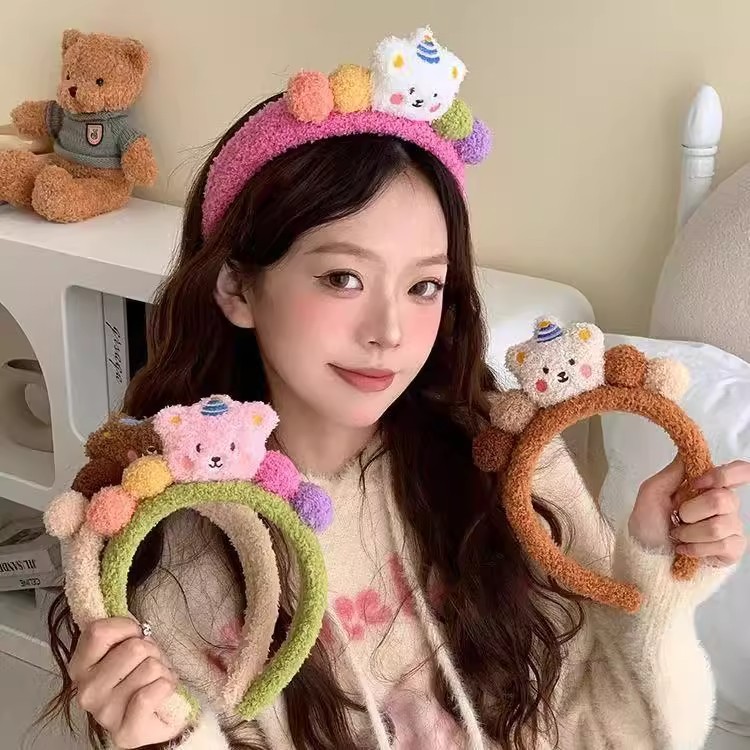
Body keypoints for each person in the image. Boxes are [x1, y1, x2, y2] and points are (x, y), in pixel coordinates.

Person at [41, 26, 747, 750]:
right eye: (342, 277)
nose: (390, 331)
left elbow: (626, 729)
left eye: (424, 286)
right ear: (237, 287)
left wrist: (655, 574)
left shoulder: (507, 467)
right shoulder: (178, 549)